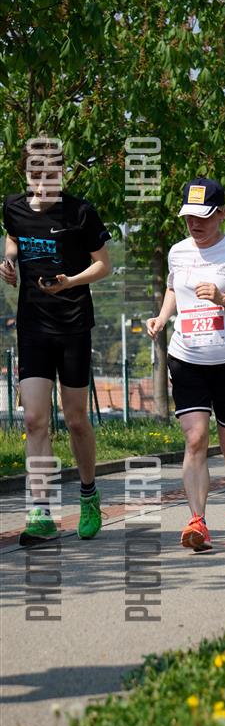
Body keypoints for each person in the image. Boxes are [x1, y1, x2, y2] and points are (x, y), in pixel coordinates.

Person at [146, 177, 225, 552]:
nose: (194, 224)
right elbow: (173, 288)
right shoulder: (178, 252)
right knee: (196, 438)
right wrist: (162, 317)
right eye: (188, 217)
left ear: (222, 214)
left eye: (202, 217)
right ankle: (197, 521)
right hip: (187, 357)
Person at [0, 138, 111, 546]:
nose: (43, 182)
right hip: (33, 326)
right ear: (26, 174)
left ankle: (89, 495)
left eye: (51, 174)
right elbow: (13, 237)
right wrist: (9, 262)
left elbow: (104, 265)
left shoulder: (80, 212)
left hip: (73, 326)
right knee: (34, 420)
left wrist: (70, 282)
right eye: (36, 174)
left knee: (77, 419)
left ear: (61, 174)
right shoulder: (13, 207)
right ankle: (42, 513)